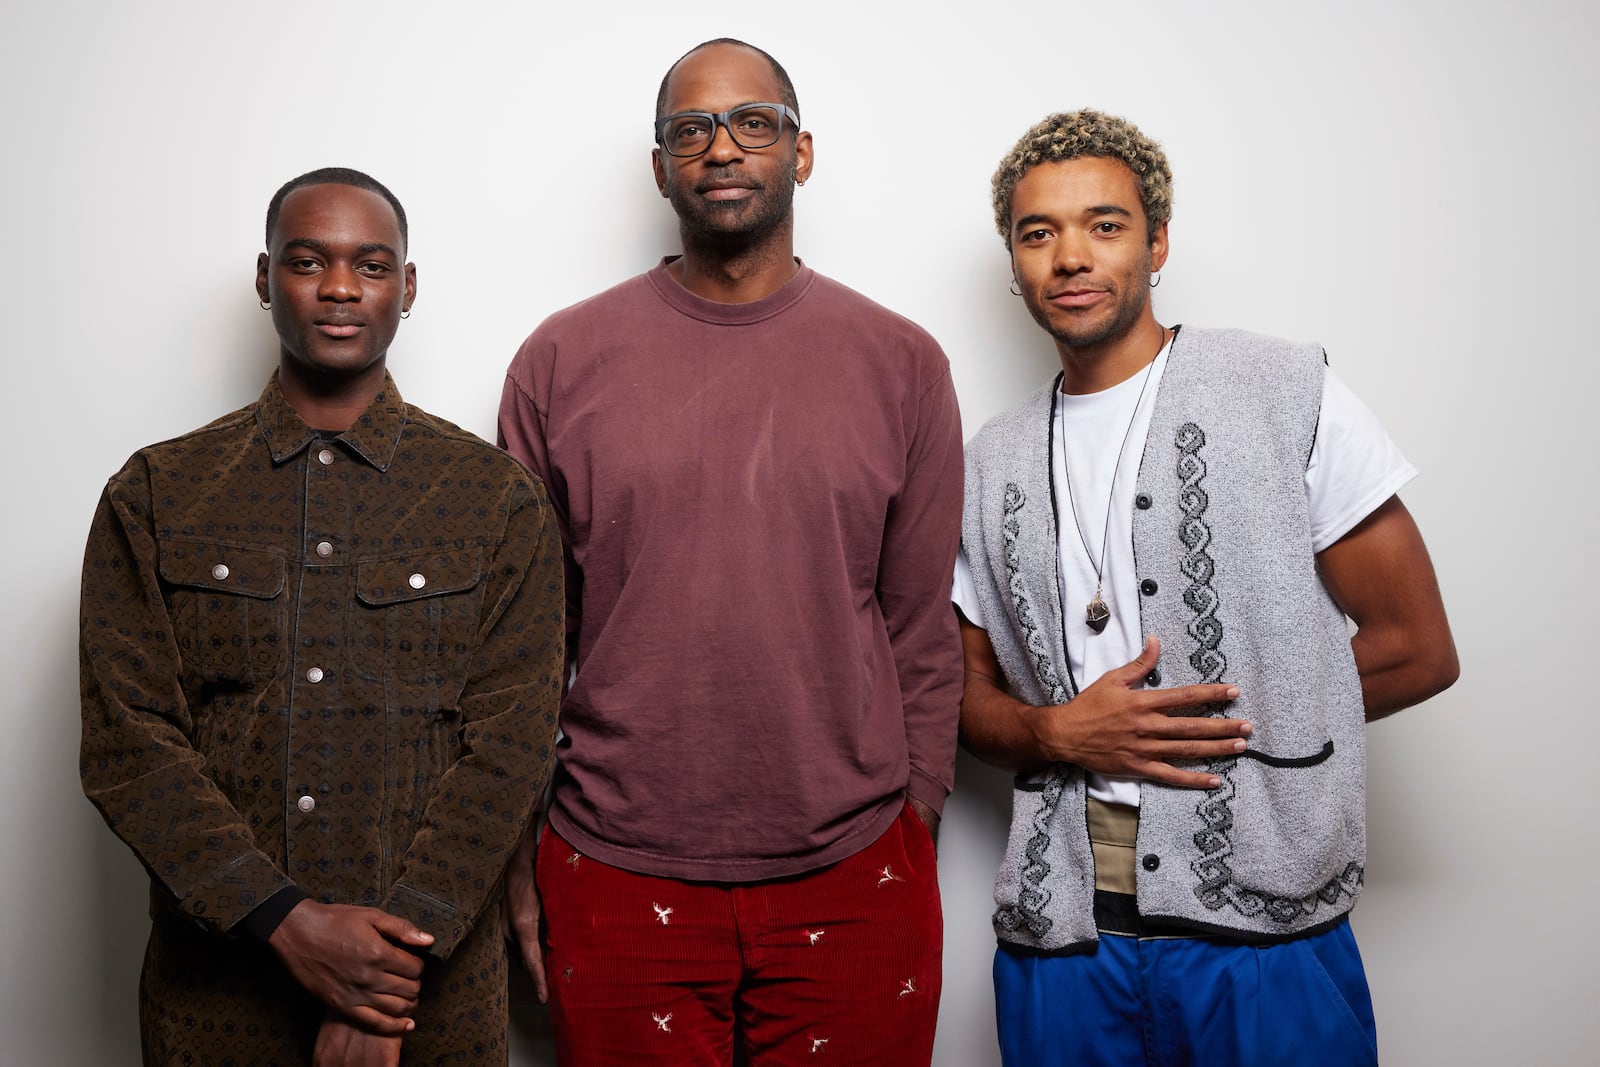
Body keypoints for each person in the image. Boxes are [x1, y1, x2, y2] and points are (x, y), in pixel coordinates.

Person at [954, 110, 1459, 1066]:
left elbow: (1417, 644)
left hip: (1264, 932)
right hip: (1063, 938)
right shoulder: (988, 460)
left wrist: (1215, 734)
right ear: (1014, 260)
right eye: (1038, 232)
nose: (1070, 256)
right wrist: (1059, 733)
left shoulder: (1279, 388)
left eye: (1104, 224)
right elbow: (962, 700)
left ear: (1157, 242)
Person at [497, 38, 963, 1067]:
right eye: (690, 129)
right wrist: (515, 849)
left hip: (854, 860)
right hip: (613, 859)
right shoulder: (558, 360)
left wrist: (916, 812)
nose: (721, 148)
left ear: (801, 153)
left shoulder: (902, 362)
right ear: (658, 166)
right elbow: (525, 642)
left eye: (753, 122)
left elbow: (919, 622)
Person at [79, 168, 565, 1066]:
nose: (339, 287)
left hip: (434, 1009)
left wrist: (380, 982)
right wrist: (288, 925)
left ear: (406, 289)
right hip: (216, 1003)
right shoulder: (157, 492)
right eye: (308, 261)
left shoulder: (497, 501)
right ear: (266, 279)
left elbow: (511, 746)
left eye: (370, 264)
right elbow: (128, 742)